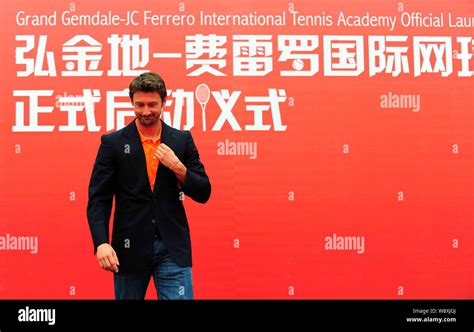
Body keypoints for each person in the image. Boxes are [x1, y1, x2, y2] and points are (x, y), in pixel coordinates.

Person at [87, 72, 211, 299]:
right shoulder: (113, 143)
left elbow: (204, 192)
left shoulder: (181, 140)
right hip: (128, 249)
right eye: (139, 104)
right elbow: (99, 198)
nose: (146, 111)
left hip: (172, 248)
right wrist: (101, 243)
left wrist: (178, 167)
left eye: (152, 104)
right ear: (131, 101)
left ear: (165, 100)